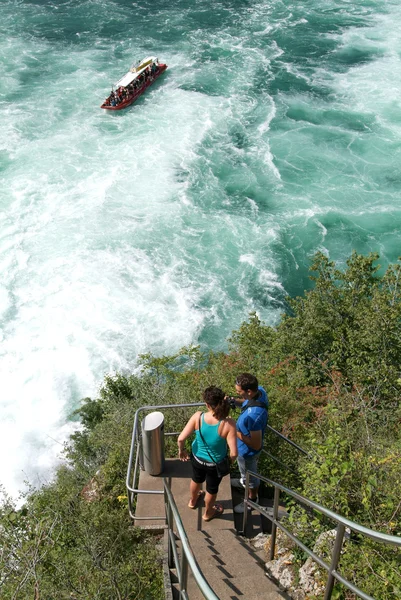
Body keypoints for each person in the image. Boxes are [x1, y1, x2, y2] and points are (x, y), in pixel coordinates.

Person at [178, 386, 238, 521]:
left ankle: (192, 501)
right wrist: (228, 462)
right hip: (215, 464)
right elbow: (234, 453)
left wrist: (182, 451)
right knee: (211, 488)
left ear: (207, 404)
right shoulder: (229, 423)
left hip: (197, 458)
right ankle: (208, 513)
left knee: (196, 479)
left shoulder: (198, 417)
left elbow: (181, 438)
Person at [230, 373, 268, 514]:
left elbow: (256, 445)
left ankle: (252, 500)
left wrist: (235, 432)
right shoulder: (260, 391)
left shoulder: (253, 416)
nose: (238, 394)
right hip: (243, 450)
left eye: (239, 392)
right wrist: (235, 401)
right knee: (245, 473)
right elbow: (248, 402)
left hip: (247, 452)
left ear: (249, 391)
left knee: (250, 477)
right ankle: (242, 480)